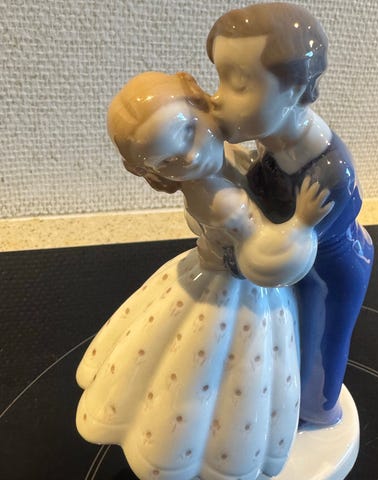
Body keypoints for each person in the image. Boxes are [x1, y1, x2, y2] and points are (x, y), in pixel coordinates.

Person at [76, 71, 333, 480]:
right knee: (225, 376)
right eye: (168, 162)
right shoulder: (218, 201)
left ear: (200, 101)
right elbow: (262, 252)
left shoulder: (225, 151)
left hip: (213, 272)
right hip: (239, 288)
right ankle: (218, 451)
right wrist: (301, 223)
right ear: (155, 172)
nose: (191, 157)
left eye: (188, 131)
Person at [207, 2, 374, 426]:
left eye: (238, 83)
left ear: (296, 89)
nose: (218, 98)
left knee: (317, 347)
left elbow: (284, 251)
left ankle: (317, 411)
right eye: (219, 78)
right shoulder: (271, 137)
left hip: (327, 274)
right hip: (295, 264)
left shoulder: (328, 173)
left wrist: (234, 242)